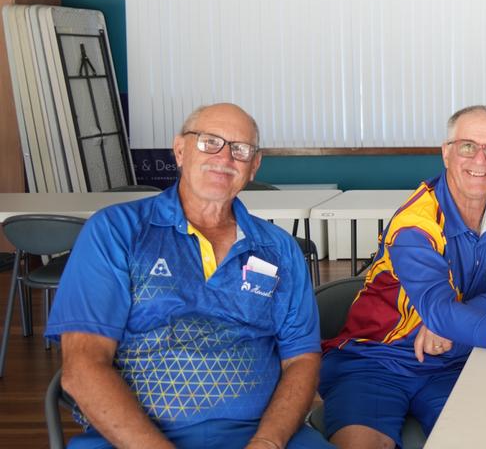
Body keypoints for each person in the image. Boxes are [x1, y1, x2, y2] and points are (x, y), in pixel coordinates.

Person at [47, 103, 330, 448]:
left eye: (240, 150)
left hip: (258, 435)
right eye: (210, 141)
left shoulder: (280, 250)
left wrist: (268, 442)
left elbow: (301, 358)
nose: (225, 158)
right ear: (180, 150)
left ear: (253, 166)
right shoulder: (116, 231)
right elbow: (83, 366)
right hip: (133, 438)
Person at [320, 106, 486, 449]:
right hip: (376, 360)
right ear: (446, 153)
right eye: (468, 146)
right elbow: (439, 310)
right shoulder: (416, 224)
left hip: (463, 357)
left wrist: (453, 319)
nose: (481, 160)